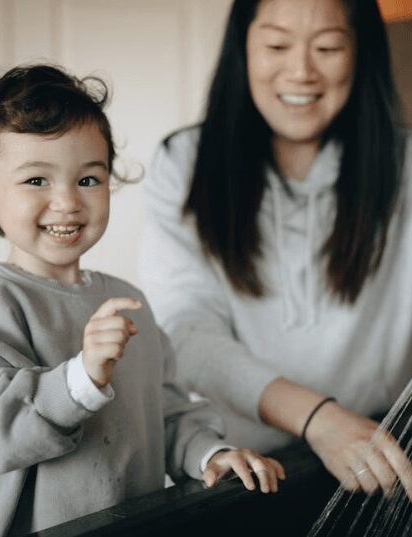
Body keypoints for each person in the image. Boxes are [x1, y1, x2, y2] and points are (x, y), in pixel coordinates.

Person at [0, 64, 285, 537]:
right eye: (36, 180)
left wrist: (209, 453)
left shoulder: (128, 301)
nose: (68, 202)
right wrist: (81, 378)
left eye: (88, 180)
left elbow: (165, 412)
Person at [139, 0, 412, 500]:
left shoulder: (405, 165)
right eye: (277, 45)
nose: (301, 71)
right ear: (243, 48)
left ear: (361, 53)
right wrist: (318, 418)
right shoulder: (183, 165)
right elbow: (185, 331)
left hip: (378, 463)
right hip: (238, 472)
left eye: (327, 47)